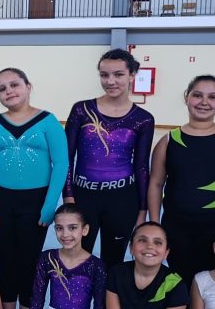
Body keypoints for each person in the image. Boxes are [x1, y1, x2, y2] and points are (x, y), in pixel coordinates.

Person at [0, 67, 68, 309]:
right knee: (6, 261)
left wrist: (50, 205)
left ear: (28, 86)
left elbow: (61, 164)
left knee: (29, 262)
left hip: (35, 203)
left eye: (14, 85)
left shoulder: (48, 121)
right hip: (1, 201)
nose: (9, 91)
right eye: (2, 88)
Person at [148, 75, 215, 284]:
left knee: (214, 285)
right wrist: (154, 223)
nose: (204, 102)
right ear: (187, 97)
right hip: (177, 227)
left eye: (212, 97)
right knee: (182, 282)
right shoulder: (169, 140)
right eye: (197, 95)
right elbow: (156, 184)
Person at [64, 48, 154, 267]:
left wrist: (142, 210)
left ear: (132, 75)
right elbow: (66, 158)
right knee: (77, 259)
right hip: (84, 197)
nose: (110, 81)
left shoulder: (143, 119)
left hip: (122, 200)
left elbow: (142, 167)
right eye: (104, 75)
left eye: (118, 74)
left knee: (114, 262)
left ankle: (109, 292)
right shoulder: (81, 110)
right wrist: (68, 198)